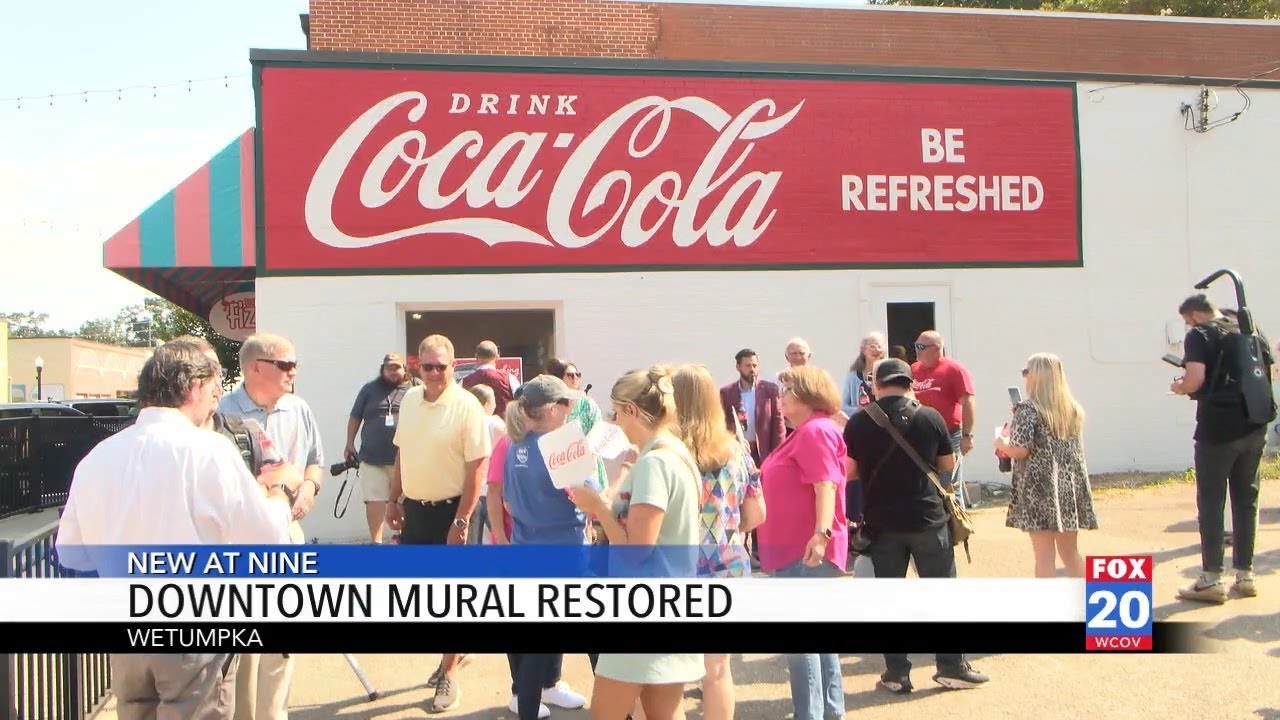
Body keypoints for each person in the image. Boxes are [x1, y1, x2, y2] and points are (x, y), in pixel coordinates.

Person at [55, 340, 295, 720]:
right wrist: (280, 495)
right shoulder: (210, 450)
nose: (216, 400)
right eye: (214, 390)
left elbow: (70, 552)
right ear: (193, 387)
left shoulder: (97, 458)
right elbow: (268, 538)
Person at [567, 366, 704, 720]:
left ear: (632, 410)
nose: (613, 422)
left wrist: (597, 506)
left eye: (615, 412)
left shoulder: (655, 463)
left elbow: (636, 549)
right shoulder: (677, 455)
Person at [844, 358, 989, 693]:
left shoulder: (858, 423)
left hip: (881, 524)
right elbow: (947, 465)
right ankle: (951, 666)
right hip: (927, 518)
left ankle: (897, 673)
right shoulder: (930, 417)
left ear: (877, 385)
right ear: (910, 383)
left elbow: (849, 471)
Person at [219, 333, 324, 720]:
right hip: (240, 542)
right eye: (285, 364)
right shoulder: (220, 412)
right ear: (255, 368)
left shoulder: (299, 409)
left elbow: (315, 461)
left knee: (281, 650)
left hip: (287, 537)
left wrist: (310, 487)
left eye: (295, 364)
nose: (292, 372)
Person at [386, 334, 492, 713]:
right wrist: (393, 499)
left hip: (453, 513)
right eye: (426, 366)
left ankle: (448, 674)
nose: (433, 373)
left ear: (453, 365)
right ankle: (456, 652)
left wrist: (461, 521)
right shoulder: (411, 399)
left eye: (441, 366)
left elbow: (478, 468)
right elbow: (402, 451)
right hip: (416, 510)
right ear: (418, 365)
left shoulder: (466, 406)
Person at [673, 364, 765, 720]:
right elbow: (757, 516)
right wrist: (724, 526)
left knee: (669, 676)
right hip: (727, 567)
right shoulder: (738, 453)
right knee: (718, 671)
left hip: (676, 570)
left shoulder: (667, 453)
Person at [757, 365, 848, 720]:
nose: (780, 399)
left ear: (807, 395)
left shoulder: (815, 431)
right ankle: (826, 711)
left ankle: (812, 713)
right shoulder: (806, 432)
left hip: (804, 548)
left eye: (787, 392)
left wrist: (821, 534)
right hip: (794, 548)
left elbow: (825, 483)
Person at [1170, 293, 1273, 602]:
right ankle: (1245, 574)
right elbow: (1268, 370)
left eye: (1187, 321)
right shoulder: (1249, 329)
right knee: (1246, 500)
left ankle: (1212, 578)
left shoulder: (1200, 334)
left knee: (1212, 502)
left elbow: (1196, 378)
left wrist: (1181, 386)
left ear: (1194, 316)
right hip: (1254, 423)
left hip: (1217, 428)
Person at [502, 376, 594, 719]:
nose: (572, 408)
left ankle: (546, 690)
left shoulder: (516, 444)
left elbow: (509, 502)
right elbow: (592, 498)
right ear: (554, 409)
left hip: (527, 548)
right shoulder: (562, 443)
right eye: (567, 403)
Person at [995, 353, 1097, 577]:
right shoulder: (1072, 408)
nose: (1024, 377)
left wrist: (1002, 443)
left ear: (1036, 376)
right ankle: (1088, 600)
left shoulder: (1028, 409)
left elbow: (1021, 449)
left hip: (1038, 488)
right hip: (1069, 485)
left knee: (1044, 556)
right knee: (1070, 552)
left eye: (1026, 372)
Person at [345, 352, 419, 543]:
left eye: (397, 368)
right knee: (374, 500)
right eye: (389, 368)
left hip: (404, 458)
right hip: (372, 457)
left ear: (405, 369)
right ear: (382, 369)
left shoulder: (415, 388)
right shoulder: (369, 389)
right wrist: (349, 443)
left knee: (405, 501)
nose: (393, 372)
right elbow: (355, 417)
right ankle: (376, 543)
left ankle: (404, 539)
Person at [911, 330, 976, 509]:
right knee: (926, 486)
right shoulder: (914, 370)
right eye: (916, 346)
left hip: (949, 435)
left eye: (921, 347)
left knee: (949, 486)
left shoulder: (954, 370)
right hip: (921, 437)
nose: (917, 350)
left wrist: (967, 435)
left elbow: (968, 401)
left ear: (937, 348)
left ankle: (957, 533)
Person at [461, 340, 519, 417]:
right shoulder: (510, 379)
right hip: (504, 427)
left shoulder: (465, 381)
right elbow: (520, 404)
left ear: (476, 356)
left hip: (476, 427)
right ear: (497, 357)